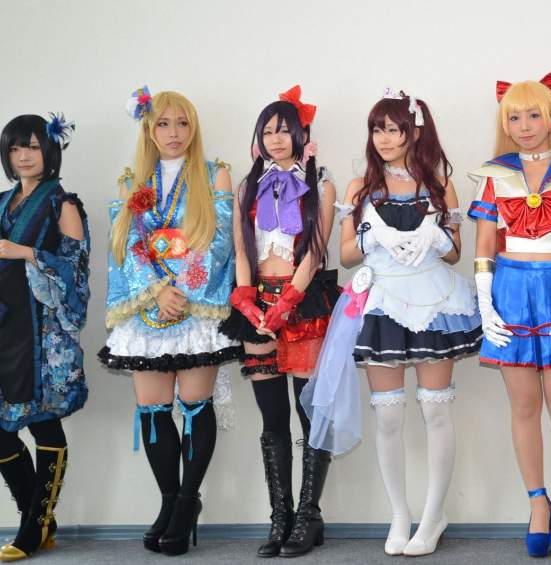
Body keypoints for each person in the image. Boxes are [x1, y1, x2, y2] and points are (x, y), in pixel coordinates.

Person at [338, 89, 481, 556]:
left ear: (414, 133)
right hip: (383, 300)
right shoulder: (359, 187)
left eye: (393, 129)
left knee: (436, 409)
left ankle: (434, 515)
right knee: (389, 414)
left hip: (433, 300)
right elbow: (345, 255)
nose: (383, 138)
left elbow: (455, 253)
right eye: (377, 129)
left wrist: (435, 239)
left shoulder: (439, 186)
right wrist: (372, 237)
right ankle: (399, 515)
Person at [467, 69, 551, 558]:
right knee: (523, 404)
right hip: (509, 292)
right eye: (514, 117)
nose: (524, 126)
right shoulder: (494, 175)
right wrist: (486, 306)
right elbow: (484, 247)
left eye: (533, 116)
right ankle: (536, 502)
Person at [99, 87, 238, 556]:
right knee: (153, 409)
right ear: (149, 129)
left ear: (193, 127)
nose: (173, 133)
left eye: (182, 123)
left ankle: (186, 502)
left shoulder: (215, 174)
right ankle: (170, 501)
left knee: (195, 404)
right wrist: (157, 291)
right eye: (163, 123)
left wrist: (182, 292)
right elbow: (125, 245)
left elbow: (219, 243)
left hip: (196, 309)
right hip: (148, 309)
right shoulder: (131, 182)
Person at [220, 86, 338, 558]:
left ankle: (309, 516)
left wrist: (287, 301)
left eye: (284, 130)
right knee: (272, 417)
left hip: (302, 303)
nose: (276, 138)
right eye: (267, 131)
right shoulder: (247, 185)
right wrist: (248, 301)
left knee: (309, 413)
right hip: (258, 304)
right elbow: (241, 248)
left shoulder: (322, 183)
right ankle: (280, 517)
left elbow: (316, 251)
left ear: (301, 134)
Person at [0, 113, 89, 562]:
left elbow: (76, 270)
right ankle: (39, 519)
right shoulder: (2, 202)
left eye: (33, 147)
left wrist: (25, 252)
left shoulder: (62, 204)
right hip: (5, 327)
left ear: (49, 151)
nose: (24, 156)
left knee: (43, 420)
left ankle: (33, 527)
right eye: (16, 148)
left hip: (43, 334)